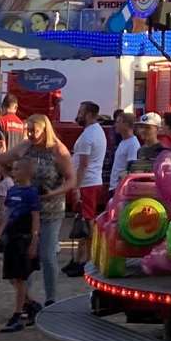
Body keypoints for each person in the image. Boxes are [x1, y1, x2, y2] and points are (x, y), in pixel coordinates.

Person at [0, 113, 73, 310]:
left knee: (46, 254)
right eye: (27, 130)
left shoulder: (58, 150)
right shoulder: (26, 146)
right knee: (24, 255)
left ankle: (51, 299)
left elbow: (72, 179)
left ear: (44, 130)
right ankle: (27, 300)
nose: (30, 134)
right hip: (27, 208)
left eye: (34, 131)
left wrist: (54, 192)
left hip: (50, 209)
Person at [0, 157, 43, 332]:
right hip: (11, 237)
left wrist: (34, 241)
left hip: (23, 240)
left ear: (26, 172)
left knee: (21, 277)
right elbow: (7, 213)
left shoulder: (31, 193)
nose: (13, 172)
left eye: (17, 169)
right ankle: (31, 304)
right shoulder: (12, 191)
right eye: (13, 169)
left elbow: (35, 218)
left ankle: (17, 315)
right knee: (11, 277)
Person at [65, 101, 106, 277]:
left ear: (89, 114)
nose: (78, 115)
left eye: (81, 112)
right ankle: (79, 258)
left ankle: (87, 260)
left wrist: (76, 186)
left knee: (86, 222)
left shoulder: (89, 136)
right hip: (91, 182)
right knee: (83, 221)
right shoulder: (96, 132)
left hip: (87, 184)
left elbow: (83, 165)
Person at [109, 110, 140, 193]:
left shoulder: (133, 144)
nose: (115, 125)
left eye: (118, 122)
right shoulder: (123, 142)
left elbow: (132, 167)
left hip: (121, 188)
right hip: (114, 186)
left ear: (126, 125)